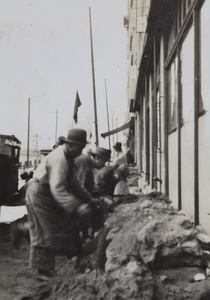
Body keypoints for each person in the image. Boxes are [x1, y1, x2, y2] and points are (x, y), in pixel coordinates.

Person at [25, 128, 99, 281]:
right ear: (71, 145)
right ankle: (42, 271)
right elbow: (57, 188)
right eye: (79, 147)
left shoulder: (69, 157)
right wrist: (77, 206)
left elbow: (74, 183)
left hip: (48, 193)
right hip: (40, 192)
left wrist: (89, 198)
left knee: (54, 226)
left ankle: (23, 229)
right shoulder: (60, 158)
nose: (81, 151)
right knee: (46, 231)